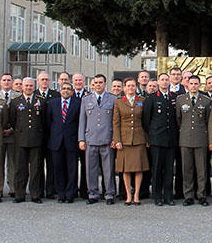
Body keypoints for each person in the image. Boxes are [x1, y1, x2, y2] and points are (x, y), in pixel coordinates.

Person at [79, 74, 116, 205]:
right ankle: (93, 193)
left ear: (105, 84)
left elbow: (115, 121)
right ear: (93, 84)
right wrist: (81, 139)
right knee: (91, 169)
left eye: (101, 82)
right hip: (91, 139)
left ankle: (109, 193)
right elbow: (82, 121)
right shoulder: (86, 99)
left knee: (108, 169)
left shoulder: (112, 99)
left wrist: (115, 138)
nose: (98, 85)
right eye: (96, 82)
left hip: (107, 138)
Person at [143, 73, 179, 206]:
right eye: (162, 80)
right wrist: (152, 135)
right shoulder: (152, 98)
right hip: (157, 139)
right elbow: (146, 120)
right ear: (158, 82)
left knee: (169, 169)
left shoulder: (174, 97)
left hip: (171, 139)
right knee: (157, 168)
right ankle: (157, 195)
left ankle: (168, 195)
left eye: (166, 80)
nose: (164, 82)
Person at [9, 79, 46, 204]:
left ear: (34, 86)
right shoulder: (15, 102)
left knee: (36, 169)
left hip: (36, 139)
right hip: (20, 139)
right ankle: (19, 194)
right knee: (20, 168)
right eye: (26, 86)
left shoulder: (40, 101)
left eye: (31, 86)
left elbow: (44, 120)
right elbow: (13, 120)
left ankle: (35, 194)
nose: (29, 88)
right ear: (22, 87)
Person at [176, 75, 211, 206]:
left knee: (201, 169)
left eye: (196, 83)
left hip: (201, 138)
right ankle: (188, 195)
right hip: (185, 138)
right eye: (191, 83)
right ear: (187, 85)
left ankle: (201, 195)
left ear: (200, 85)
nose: (194, 86)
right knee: (187, 169)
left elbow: (207, 120)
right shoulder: (180, 100)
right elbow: (178, 119)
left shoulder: (206, 101)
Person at [113, 79, 148, 205]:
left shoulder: (142, 101)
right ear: (124, 88)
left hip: (139, 139)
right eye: (128, 86)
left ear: (136, 87)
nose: (131, 88)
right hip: (125, 140)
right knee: (126, 170)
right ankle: (128, 195)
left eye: (133, 86)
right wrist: (117, 140)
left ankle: (136, 195)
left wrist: (147, 139)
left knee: (139, 169)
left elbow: (145, 121)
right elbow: (116, 122)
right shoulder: (118, 102)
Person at [46, 82, 81, 203]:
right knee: (58, 168)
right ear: (60, 90)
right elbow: (48, 122)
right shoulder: (52, 103)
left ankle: (70, 194)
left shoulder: (78, 104)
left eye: (68, 89)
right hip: (56, 141)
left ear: (72, 91)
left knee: (72, 169)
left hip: (71, 141)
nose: (66, 91)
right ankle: (61, 194)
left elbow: (79, 123)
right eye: (63, 89)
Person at [0, 73, 18, 198]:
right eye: (4, 80)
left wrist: (12, 129)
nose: (6, 82)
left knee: (13, 163)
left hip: (13, 135)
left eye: (9, 80)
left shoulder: (17, 96)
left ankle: (13, 188)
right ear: (0, 82)